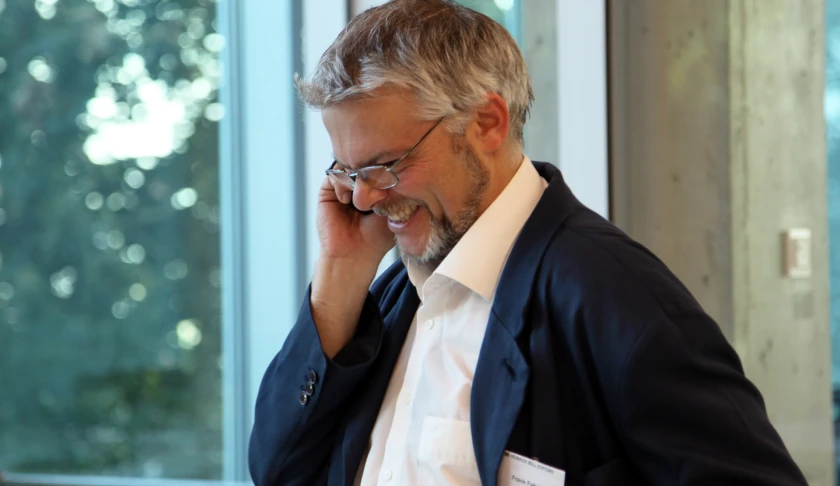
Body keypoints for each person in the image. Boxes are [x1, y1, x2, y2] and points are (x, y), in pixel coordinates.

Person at [248, 1, 808, 485]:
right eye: (348, 172)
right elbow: (278, 470)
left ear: (488, 123)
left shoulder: (612, 293)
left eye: (387, 165)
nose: (365, 199)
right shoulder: (392, 299)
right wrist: (340, 274)